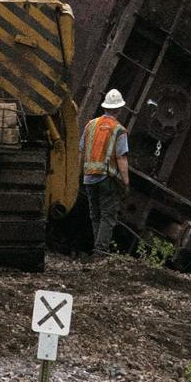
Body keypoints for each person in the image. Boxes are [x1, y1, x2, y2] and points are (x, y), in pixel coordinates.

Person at [79, 89, 131, 258]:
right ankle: (100, 252)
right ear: (119, 109)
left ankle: (97, 249)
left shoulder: (90, 125)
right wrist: (126, 182)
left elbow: (81, 151)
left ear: (105, 107)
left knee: (95, 215)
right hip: (107, 179)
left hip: (89, 177)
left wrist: (80, 174)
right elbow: (121, 158)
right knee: (108, 216)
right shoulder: (119, 130)